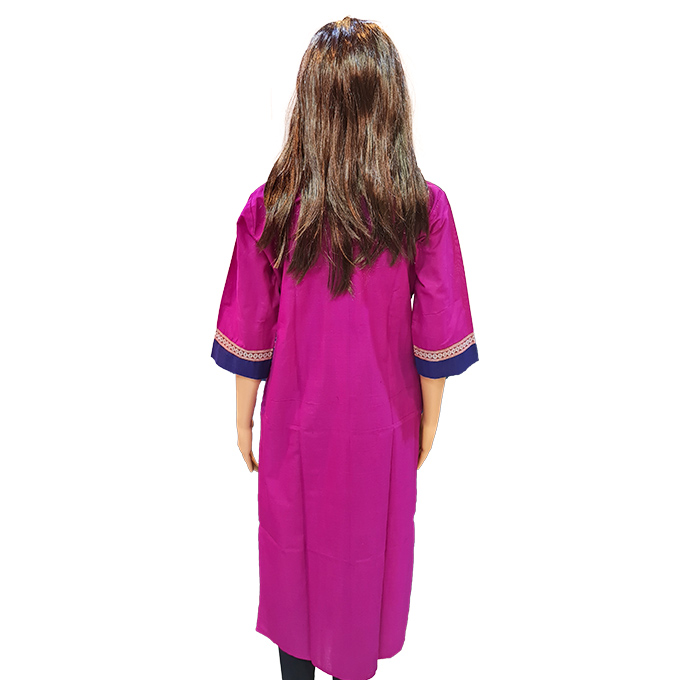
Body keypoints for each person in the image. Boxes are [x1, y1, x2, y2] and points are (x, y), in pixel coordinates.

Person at [210, 16, 479, 680]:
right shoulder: (419, 208)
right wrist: (430, 418)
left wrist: (243, 418)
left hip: (294, 423)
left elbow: (251, 323)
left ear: (310, 104)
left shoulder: (274, 208)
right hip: (384, 425)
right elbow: (436, 326)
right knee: (362, 565)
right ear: (390, 102)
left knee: (294, 558)